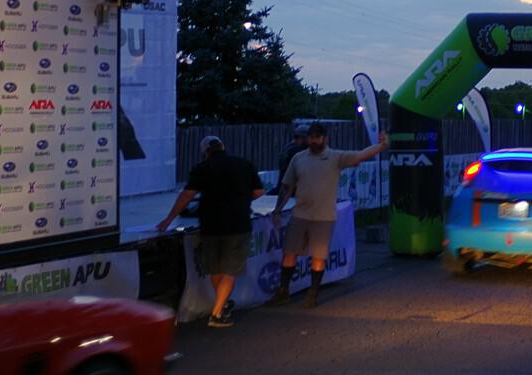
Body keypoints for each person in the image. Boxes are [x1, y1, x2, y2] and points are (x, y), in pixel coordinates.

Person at [267, 121, 388, 308]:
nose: (314, 140)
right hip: (300, 215)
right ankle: (283, 291)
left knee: (318, 257)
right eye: (311, 137)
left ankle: (312, 294)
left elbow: (360, 156)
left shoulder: (335, 157)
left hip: (323, 218)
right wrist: (277, 210)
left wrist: (381, 146)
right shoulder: (298, 158)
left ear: (325, 138)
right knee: (289, 253)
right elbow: (286, 186)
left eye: (317, 137)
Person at [157, 136, 264, 328]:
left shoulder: (201, 168)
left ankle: (220, 306)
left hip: (210, 225)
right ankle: (216, 314)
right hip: (238, 224)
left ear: (206, 152)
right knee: (230, 270)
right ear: (223, 147)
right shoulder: (244, 164)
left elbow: (187, 196)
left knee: (215, 268)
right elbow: (258, 192)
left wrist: (168, 219)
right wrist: (241, 200)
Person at [268, 124, 309, 195]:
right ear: (302, 138)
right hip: (292, 191)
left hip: (284, 188)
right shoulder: (297, 151)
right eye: (308, 138)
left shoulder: (288, 148)